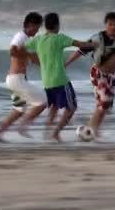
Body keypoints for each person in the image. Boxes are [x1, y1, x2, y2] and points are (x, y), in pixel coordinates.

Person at [66, 12, 115, 138]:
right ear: (106, 24)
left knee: (105, 106)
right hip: (98, 73)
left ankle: (94, 130)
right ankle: (89, 130)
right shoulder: (97, 38)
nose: (113, 27)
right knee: (103, 102)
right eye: (110, 24)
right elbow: (80, 51)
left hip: (111, 77)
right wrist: (66, 63)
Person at [24, 13, 96, 142]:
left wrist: (31, 59)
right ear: (57, 26)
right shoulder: (59, 38)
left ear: (45, 26)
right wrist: (96, 44)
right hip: (60, 80)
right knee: (71, 108)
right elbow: (81, 45)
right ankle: (55, 133)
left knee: (54, 107)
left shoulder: (38, 39)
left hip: (46, 82)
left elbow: (22, 47)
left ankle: (46, 134)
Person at [0, 12, 47, 142]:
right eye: (36, 27)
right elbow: (12, 50)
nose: (37, 30)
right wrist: (28, 55)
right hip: (16, 79)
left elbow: (32, 58)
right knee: (43, 101)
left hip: (13, 79)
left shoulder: (26, 39)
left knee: (19, 109)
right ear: (29, 25)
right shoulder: (21, 36)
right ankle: (23, 126)